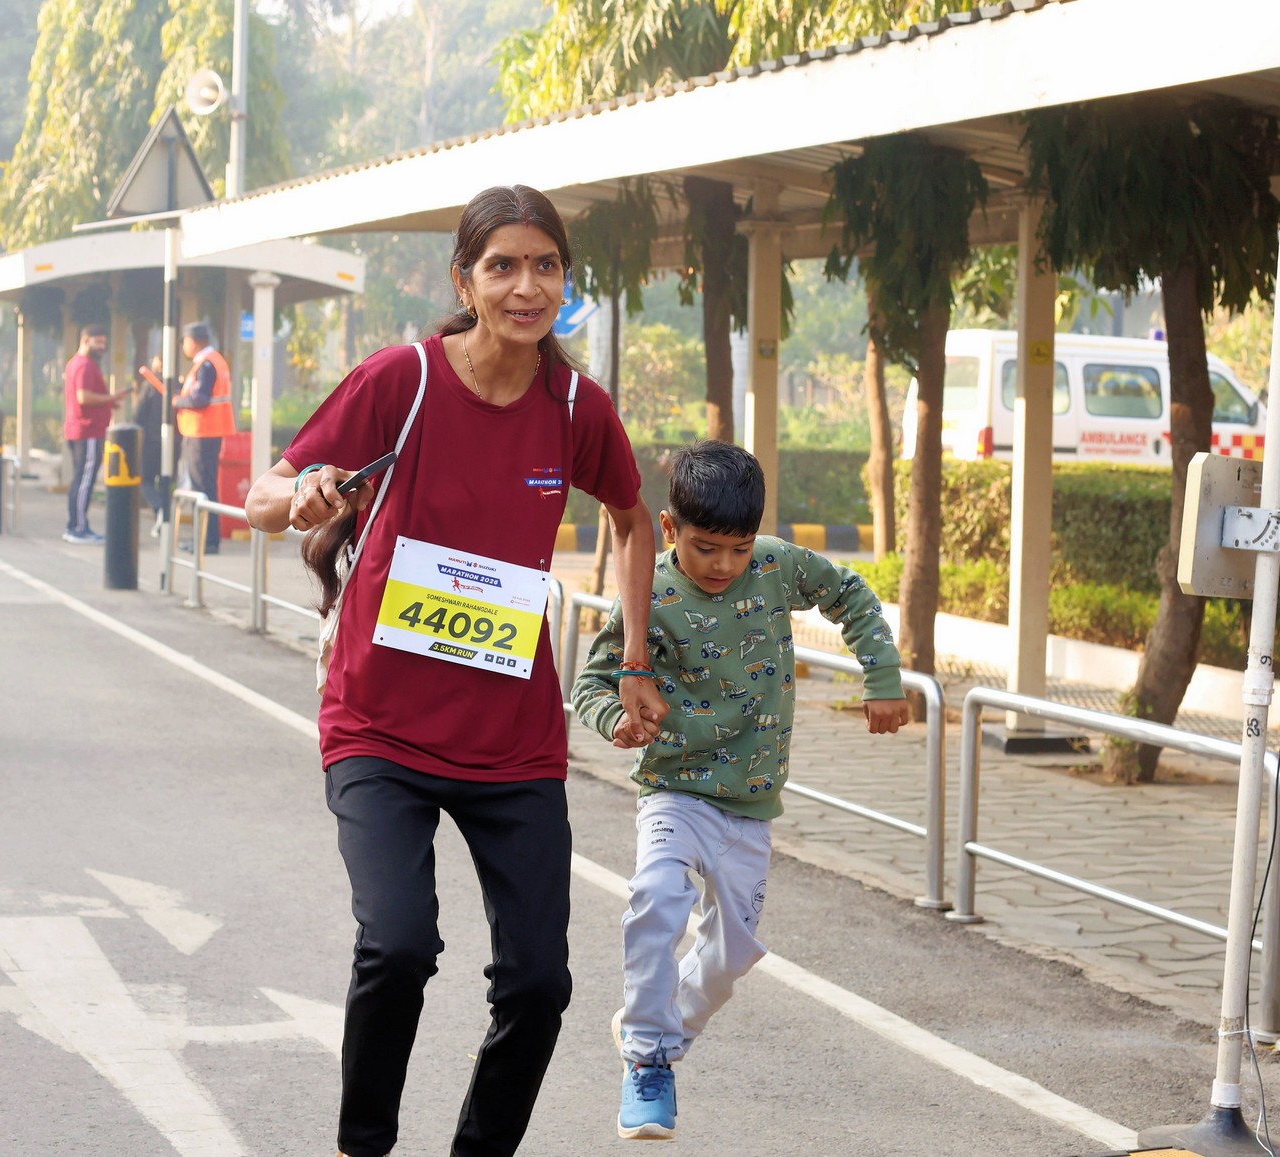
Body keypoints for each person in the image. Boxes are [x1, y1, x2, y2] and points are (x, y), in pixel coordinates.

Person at [244, 185, 667, 1157]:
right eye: (502, 266)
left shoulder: (575, 406)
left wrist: (635, 656)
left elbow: (632, 517)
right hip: (379, 726)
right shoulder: (403, 380)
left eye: (546, 266)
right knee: (398, 944)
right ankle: (363, 1144)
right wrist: (303, 493)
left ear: (564, 279)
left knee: (539, 982)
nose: (527, 287)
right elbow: (267, 490)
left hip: (512, 743)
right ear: (465, 282)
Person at [571, 440, 909, 1141]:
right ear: (670, 529)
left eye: (738, 548)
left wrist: (880, 677)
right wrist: (615, 721)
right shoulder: (649, 592)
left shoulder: (777, 567)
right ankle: (648, 1058)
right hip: (673, 790)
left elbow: (852, 594)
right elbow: (592, 682)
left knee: (732, 954)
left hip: (751, 806)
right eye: (705, 548)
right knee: (655, 900)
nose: (724, 565)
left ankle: (656, 1026)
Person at [62, 324, 132, 544]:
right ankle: (78, 527)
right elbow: (83, 397)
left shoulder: (78, 363)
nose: (102, 346)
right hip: (88, 430)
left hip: (82, 429)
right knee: (84, 481)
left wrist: (108, 403)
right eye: (98, 342)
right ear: (85, 340)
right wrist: (111, 398)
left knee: (81, 479)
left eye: (104, 342)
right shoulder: (84, 365)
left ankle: (76, 525)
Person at [173, 322, 233, 554]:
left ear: (194, 340)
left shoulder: (207, 364)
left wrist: (178, 401)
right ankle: (205, 539)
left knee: (203, 488)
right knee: (205, 486)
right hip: (204, 432)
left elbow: (199, 399)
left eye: (185, 341)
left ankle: (207, 541)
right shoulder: (211, 361)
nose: (184, 346)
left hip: (203, 433)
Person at [133, 355, 172, 526]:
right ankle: (162, 517)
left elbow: (139, 414)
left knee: (146, 480)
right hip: (172, 443)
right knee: (165, 481)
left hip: (152, 441)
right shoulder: (178, 386)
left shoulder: (150, 385)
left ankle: (159, 507)